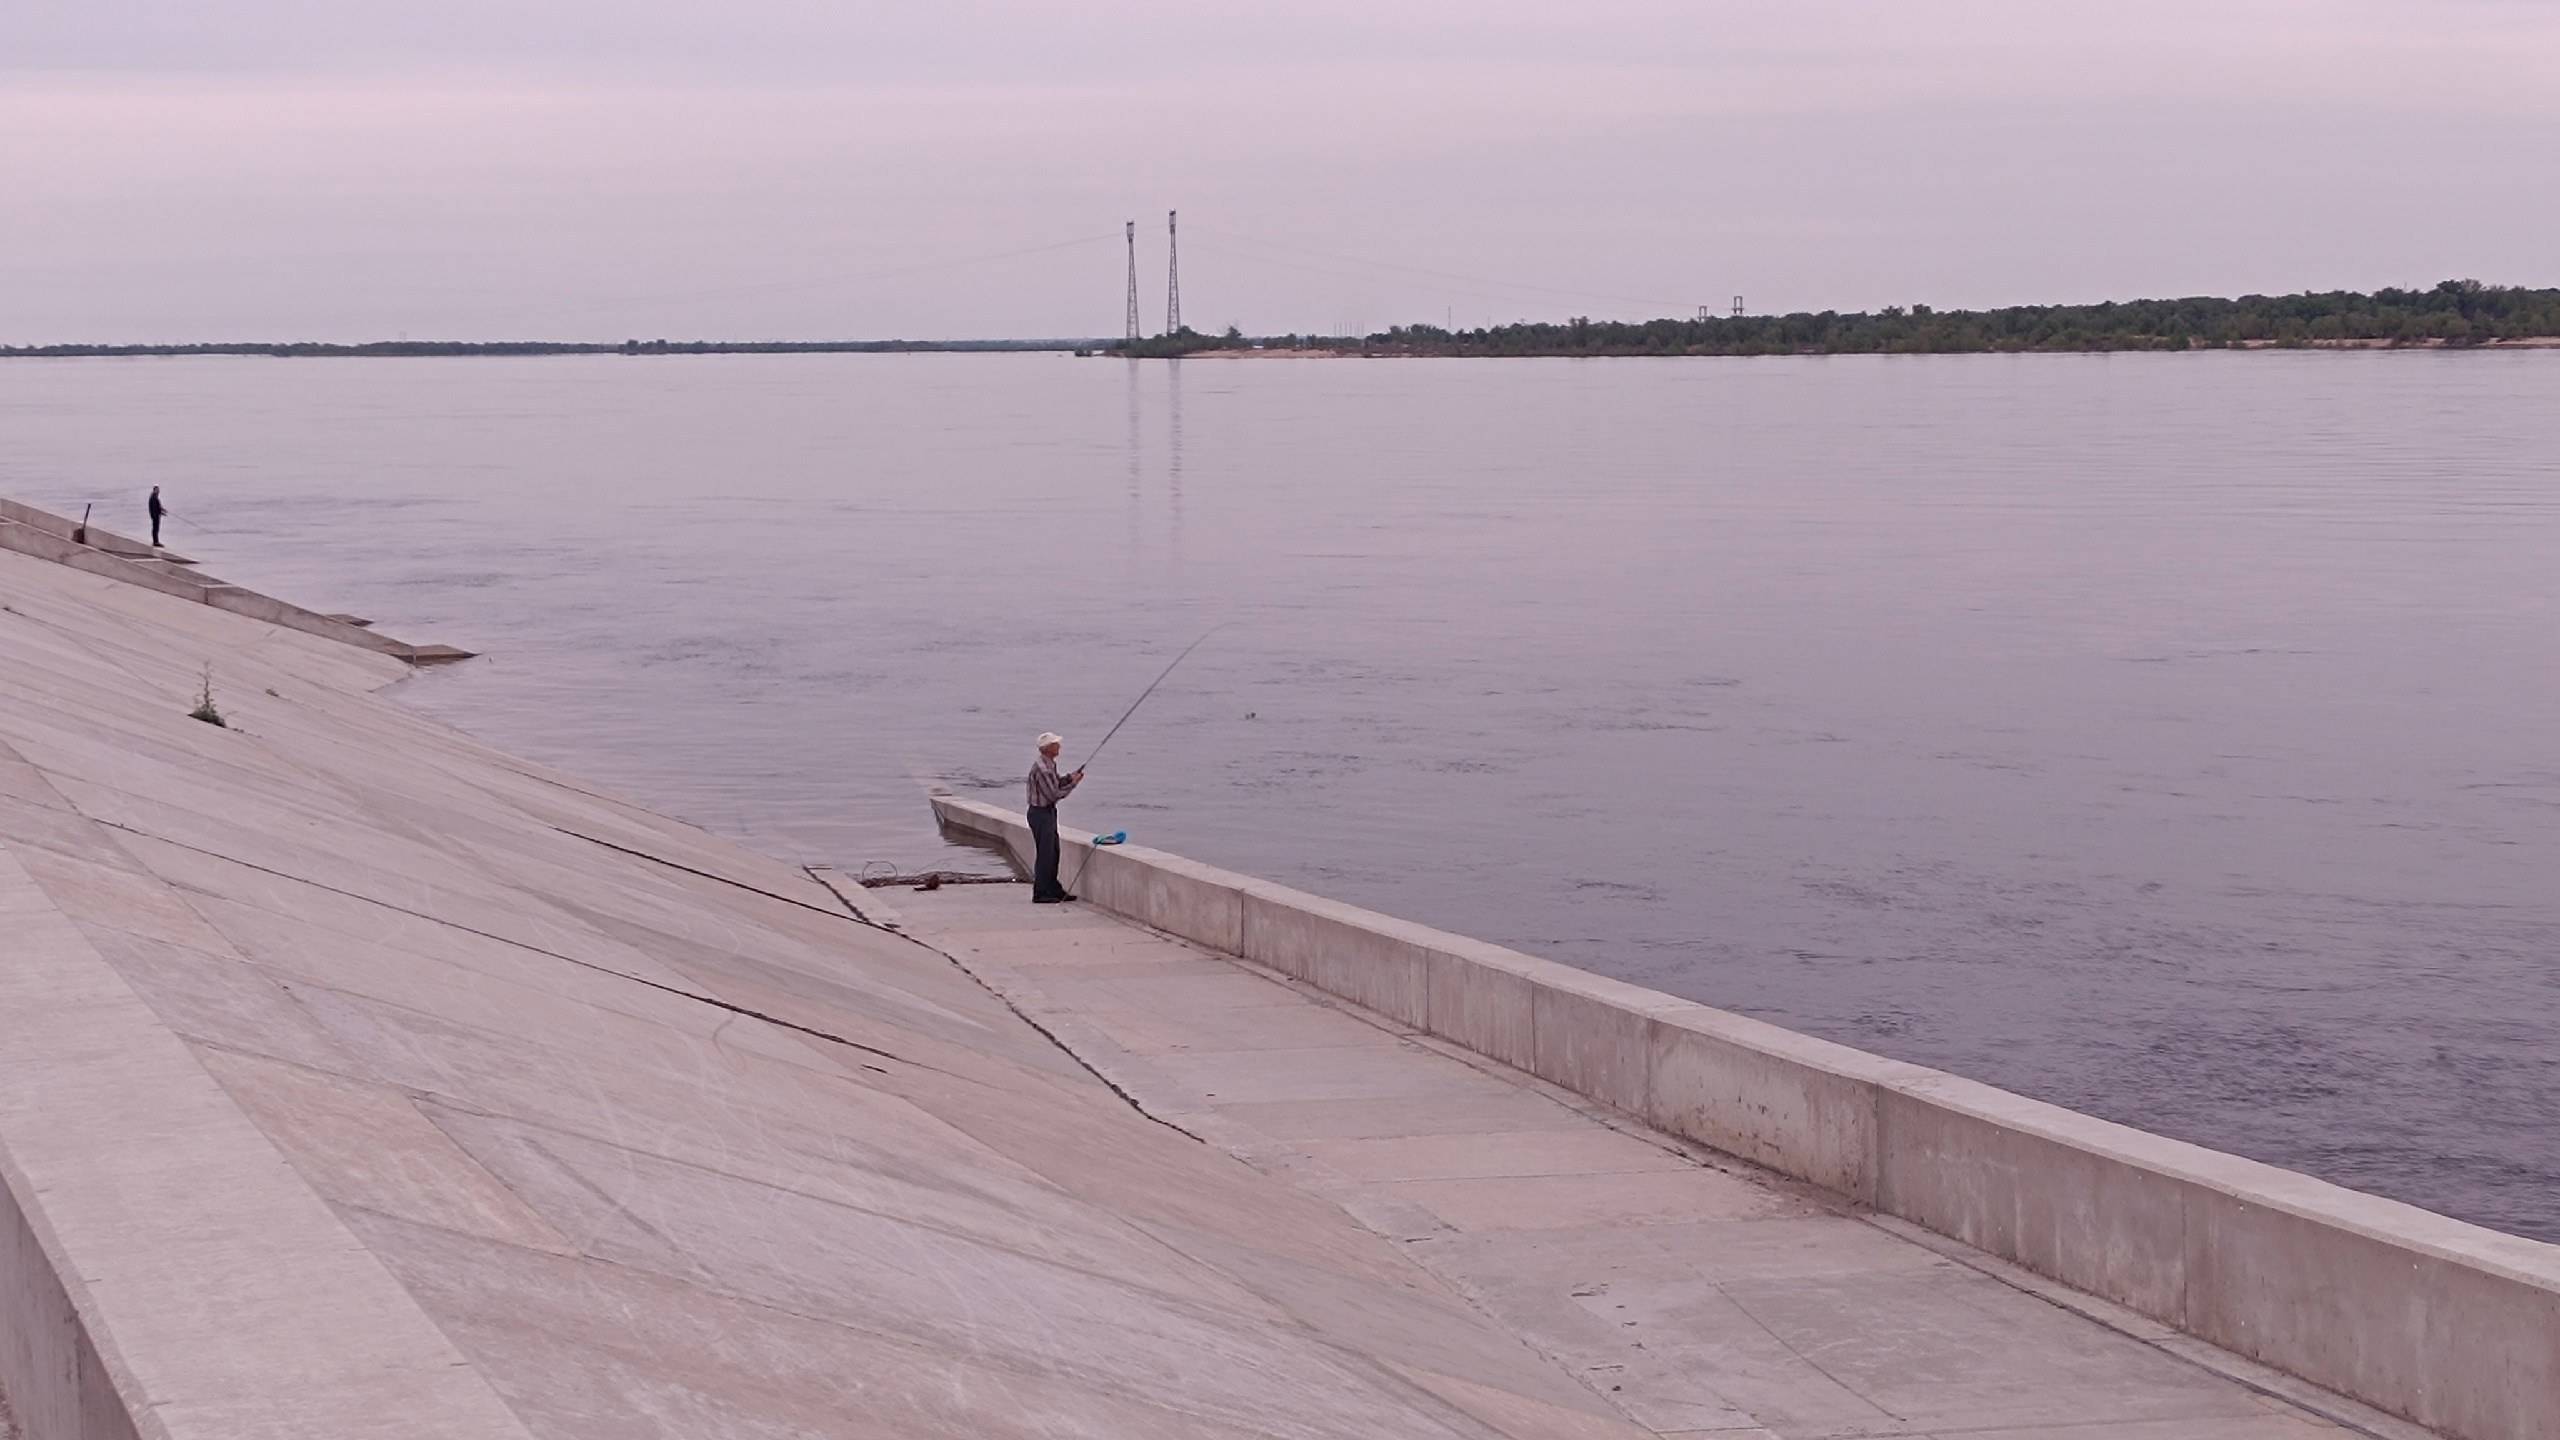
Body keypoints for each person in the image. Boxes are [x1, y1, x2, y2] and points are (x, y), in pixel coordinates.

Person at [1025, 732, 1085, 903]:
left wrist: (1068, 778)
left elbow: (1056, 783)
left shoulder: (1049, 764)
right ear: (1048, 748)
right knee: (1045, 854)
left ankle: (1053, 889)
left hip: (1047, 813)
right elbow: (1053, 794)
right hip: (1040, 813)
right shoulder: (1042, 768)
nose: (1059, 746)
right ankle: (1041, 893)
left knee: (1053, 852)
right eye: (1056, 744)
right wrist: (1073, 784)